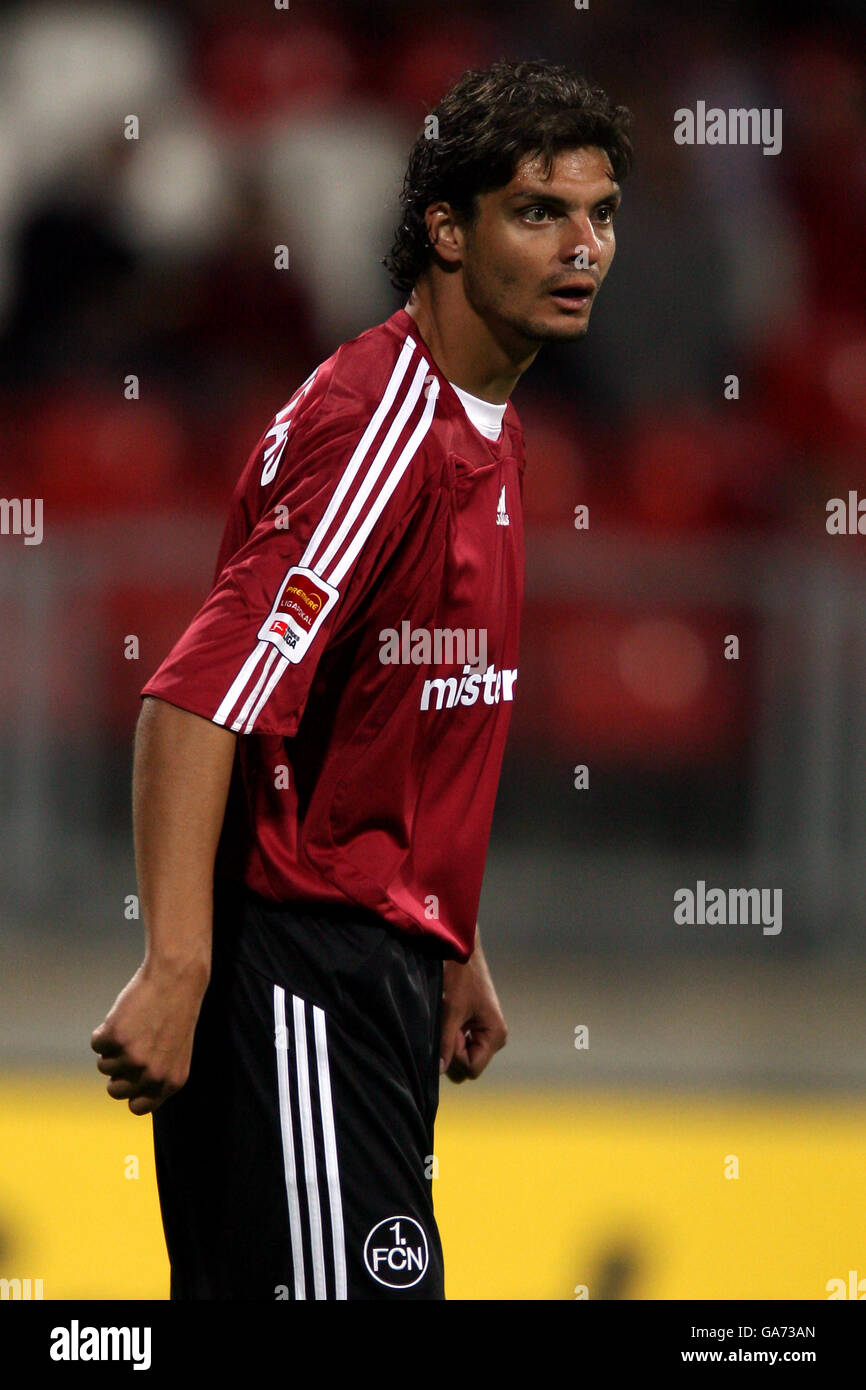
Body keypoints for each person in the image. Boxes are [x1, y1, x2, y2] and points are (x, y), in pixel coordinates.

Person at [90, 58, 632, 1301]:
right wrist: (176, 965)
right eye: (538, 212)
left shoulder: (480, 426)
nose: (582, 247)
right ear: (446, 229)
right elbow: (195, 696)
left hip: (369, 966)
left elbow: (395, 708)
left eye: (599, 214)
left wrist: (447, 933)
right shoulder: (381, 431)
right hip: (298, 980)